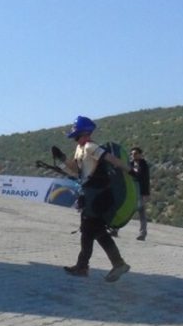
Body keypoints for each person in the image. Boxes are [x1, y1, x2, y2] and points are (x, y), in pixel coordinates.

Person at [53, 116, 131, 282]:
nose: (75, 137)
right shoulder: (80, 149)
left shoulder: (91, 146)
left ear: (84, 133)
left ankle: (118, 263)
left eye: (77, 134)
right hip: (89, 193)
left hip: (99, 194)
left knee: (95, 230)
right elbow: (76, 169)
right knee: (87, 232)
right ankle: (82, 267)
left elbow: (112, 159)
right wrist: (62, 160)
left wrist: (130, 170)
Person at [128, 146, 150, 241]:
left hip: (141, 191)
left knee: (141, 212)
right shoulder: (130, 164)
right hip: (132, 190)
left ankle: (143, 233)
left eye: (135, 154)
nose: (133, 155)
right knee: (127, 210)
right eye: (132, 154)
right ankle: (115, 229)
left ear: (140, 154)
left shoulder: (144, 165)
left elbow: (143, 178)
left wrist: (146, 194)